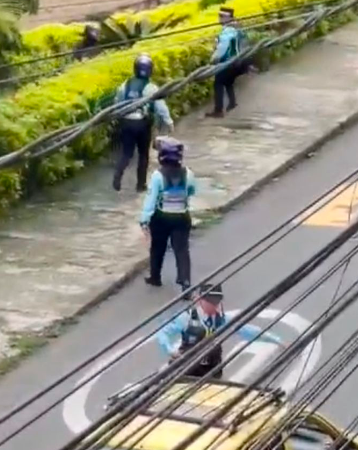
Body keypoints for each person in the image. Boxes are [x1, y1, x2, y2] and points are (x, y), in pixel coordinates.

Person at [154, 284, 285, 378]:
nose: (214, 305)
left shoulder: (221, 319)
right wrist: (170, 350)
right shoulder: (186, 318)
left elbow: (248, 330)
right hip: (187, 370)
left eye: (216, 302)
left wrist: (276, 340)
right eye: (210, 302)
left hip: (213, 371)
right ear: (199, 300)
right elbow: (163, 333)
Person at [113, 54, 175, 192]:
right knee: (143, 154)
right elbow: (160, 107)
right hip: (142, 123)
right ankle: (140, 185)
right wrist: (169, 121)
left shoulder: (125, 85)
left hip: (126, 121)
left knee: (126, 153)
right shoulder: (151, 87)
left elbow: (116, 103)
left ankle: (117, 177)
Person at [139, 136, 194, 288]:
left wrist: (144, 219)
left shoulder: (158, 176)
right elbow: (191, 190)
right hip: (182, 217)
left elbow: (151, 199)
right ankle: (185, 280)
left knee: (158, 247)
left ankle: (155, 277)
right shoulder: (188, 174)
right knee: (182, 250)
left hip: (161, 218)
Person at [205, 7, 248, 118]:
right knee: (228, 80)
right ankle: (232, 102)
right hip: (240, 62)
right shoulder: (237, 28)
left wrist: (213, 60)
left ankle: (218, 111)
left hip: (230, 62)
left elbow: (222, 48)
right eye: (219, 15)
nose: (220, 18)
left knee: (218, 82)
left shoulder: (228, 31)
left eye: (222, 16)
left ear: (229, 18)